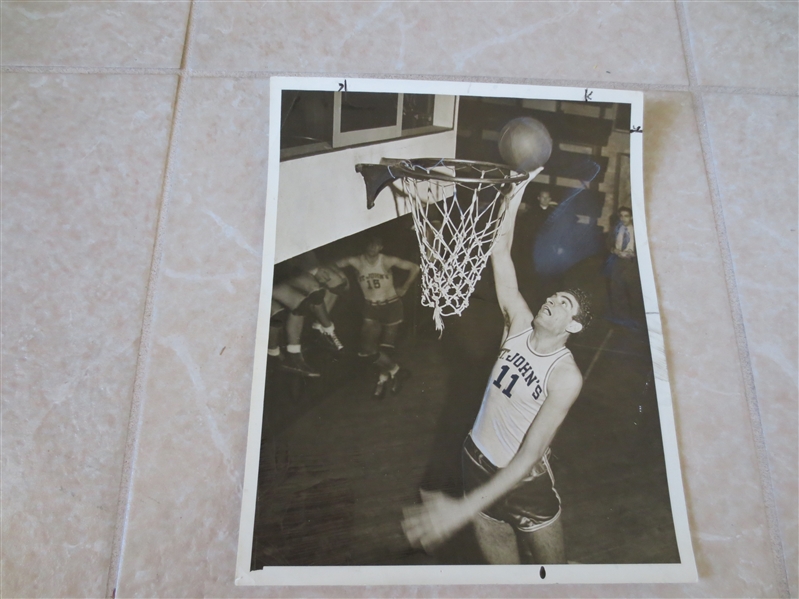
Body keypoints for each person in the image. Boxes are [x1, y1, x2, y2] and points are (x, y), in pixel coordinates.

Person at [402, 166, 592, 564]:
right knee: (502, 574)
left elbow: (527, 457)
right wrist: (516, 189)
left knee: (550, 574)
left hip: (524, 484)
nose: (551, 302)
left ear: (572, 326)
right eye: (553, 297)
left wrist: (460, 509)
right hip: (475, 460)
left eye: (563, 305)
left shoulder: (564, 375)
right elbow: (500, 251)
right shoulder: (519, 323)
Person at [336, 235, 420, 399]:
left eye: (376, 245)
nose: (372, 248)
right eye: (370, 245)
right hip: (371, 308)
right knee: (366, 351)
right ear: (365, 246)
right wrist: (341, 279)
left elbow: (415, 267)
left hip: (392, 306)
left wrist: (405, 287)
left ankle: (382, 380)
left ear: (381, 247)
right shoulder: (356, 261)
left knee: (386, 348)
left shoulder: (387, 260)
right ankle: (396, 370)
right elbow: (331, 265)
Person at [606, 206, 642, 328]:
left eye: (626, 216)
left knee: (633, 290)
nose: (624, 219)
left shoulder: (637, 230)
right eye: (621, 216)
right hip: (617, 261)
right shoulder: (616, 229)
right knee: (616, 289)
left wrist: (635, 254)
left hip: (631, 263)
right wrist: (614, 250)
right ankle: (620, 318)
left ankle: (635, 318)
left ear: (631, 217)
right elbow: (608, 243)